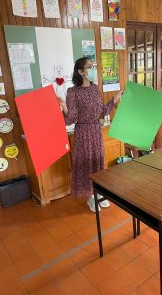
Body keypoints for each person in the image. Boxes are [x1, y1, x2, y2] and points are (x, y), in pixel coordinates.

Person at [57, 57, 123, 212]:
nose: (93, 69)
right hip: (83, 133)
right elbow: (71, 119)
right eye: (89, 67)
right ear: (80, 71)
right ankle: (91, 197)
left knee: (98, 162)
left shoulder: (95, 88)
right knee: (87, 164)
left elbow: (102, 112)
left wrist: (116, 98)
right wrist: (64, 105)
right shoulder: (72, 91)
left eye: (93, 66)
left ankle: (99, 192)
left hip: (96, 131)